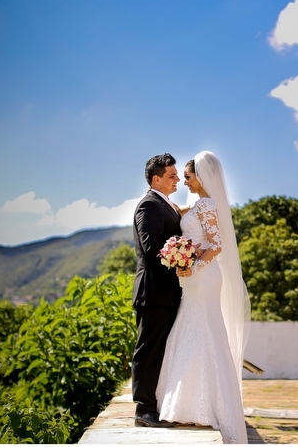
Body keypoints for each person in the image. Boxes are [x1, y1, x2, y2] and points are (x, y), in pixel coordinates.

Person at [156, 151, 251, 444]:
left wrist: (193, 265)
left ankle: (206, 404)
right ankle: (193, 401)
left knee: (205, 330)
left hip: (204, 276)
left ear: (201, 176)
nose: (185, 181)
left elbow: (217, 244)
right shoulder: (200, 205)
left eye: (188, 176)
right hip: (195, 277)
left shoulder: (207, 205)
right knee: (195, 330)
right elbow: (181, 215)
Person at [131, 153, 183, 428]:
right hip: (153, 292)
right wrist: (186, 257)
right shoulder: (148, 206)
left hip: (168, 292)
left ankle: (158, 403)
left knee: (163, 350)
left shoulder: (166, 204)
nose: (177, 180)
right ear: (156, 179)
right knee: (149, 350)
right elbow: (153, 247)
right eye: (172, 176)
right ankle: (144, 410)